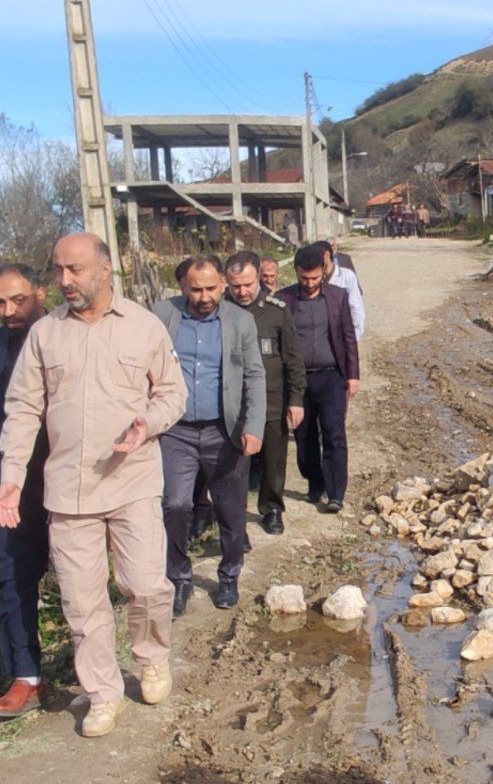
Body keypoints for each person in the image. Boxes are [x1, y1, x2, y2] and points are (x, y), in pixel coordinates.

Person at [0, 234, 186, 739]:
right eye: (58, 270)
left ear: (105, 269)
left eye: (75, 269)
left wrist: (148, 422)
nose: (64, 280)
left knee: (146, 585)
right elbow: (23, 409)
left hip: (132, 480)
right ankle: (102, 692)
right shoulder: (46, 334)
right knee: (82, 602)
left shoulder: (144, 326)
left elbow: (173, 393)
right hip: (68, 491)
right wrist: (11, 477)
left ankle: (152, 657)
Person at [153, 255, 265, 617]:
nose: (204, 297)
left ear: (223, 284)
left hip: (224, 430)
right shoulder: (162, 315)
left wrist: (254, 426)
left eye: (212, 288)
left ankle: (229, 576)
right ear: (183, 286)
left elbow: (254, 375)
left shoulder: (241, 321)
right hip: (176, 431)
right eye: (196, 289)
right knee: (175, 504)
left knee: (231, 510)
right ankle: (178, 578)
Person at [0, 264, 50, 719]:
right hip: (7, 487)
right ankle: (26, 678)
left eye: (18, 300)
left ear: (40, 293)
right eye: (0, 302)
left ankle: (93, 668)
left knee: (78, 574)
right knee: (10, 576)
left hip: (64, 479)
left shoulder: (63, 337)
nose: (8, 310)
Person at [223, 251, 305, 535]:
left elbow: (293, 358)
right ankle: (233, 518)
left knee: (273, 457)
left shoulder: (276, 310)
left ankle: (272, 508)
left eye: (247, 284)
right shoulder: (220, 311)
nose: (242, 291)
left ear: (259, 276)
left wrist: (296, 399)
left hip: (272, 396)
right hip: (232, 402)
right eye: (235, 286)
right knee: (234, 465)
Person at [278, 245, 359, 512]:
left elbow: (348, 336)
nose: (310, 283)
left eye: (315, 278)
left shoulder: (337, 296)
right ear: (296, 272)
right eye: (304, 278)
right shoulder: (283, 300)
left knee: (334, 434)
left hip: (332, 377)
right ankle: (315, 483)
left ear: (323, 271)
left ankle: (335, 494)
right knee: (304, 437)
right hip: (298, 381)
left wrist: (353, 375)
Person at [316, 239, 365, 341]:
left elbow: (356, 306)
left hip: (343, 330)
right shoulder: (315, 277)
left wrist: (355, 335)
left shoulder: (346, 275)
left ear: (326, 255)